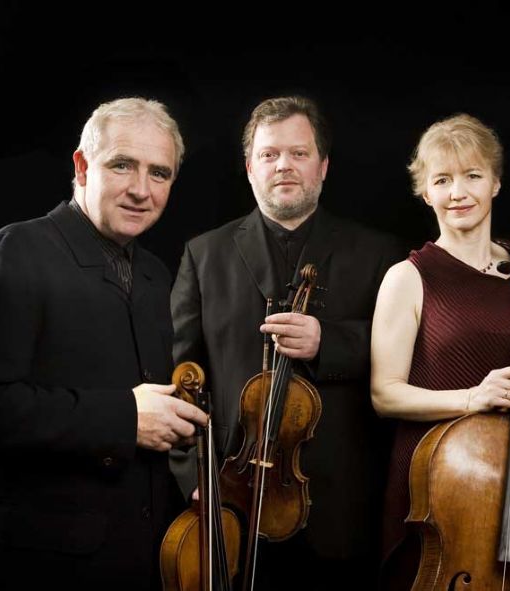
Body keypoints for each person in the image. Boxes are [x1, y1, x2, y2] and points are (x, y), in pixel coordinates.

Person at [170, 95, 403, 589]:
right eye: (270, 154)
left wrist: (328, 342)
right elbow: (181, 376)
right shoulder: (203, 255)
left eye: (299, 153)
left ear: (323, 166)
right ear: (250, 167)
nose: (284, 166)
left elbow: (410, 352)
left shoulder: (378, 252)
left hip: (342, 505)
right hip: (234, 496)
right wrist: (195, 478)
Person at [0, 97, 208, 590]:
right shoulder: (16, 251)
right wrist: (127, 419)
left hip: (145, 556)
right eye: (122, 165)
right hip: (48, 563)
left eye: (159, 173)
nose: (141, 190)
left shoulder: (154, 273)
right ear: (82, 166)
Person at [370, 113, 510, 589]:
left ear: (495, 182)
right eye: (442, 180)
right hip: (437, 483)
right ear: (426, 192)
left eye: (472, 176)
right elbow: (385, 394)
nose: (458, 192)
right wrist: (473, 398)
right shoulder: (407, 278)